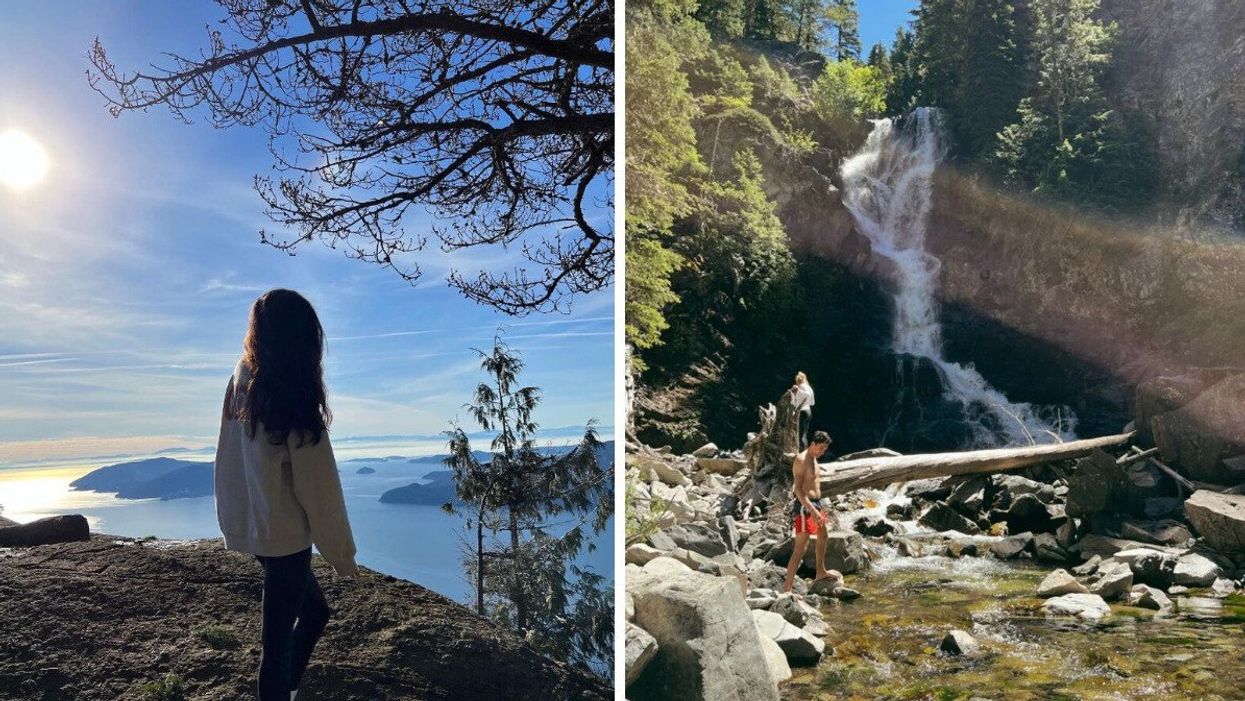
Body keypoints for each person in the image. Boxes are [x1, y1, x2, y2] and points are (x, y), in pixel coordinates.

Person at [214, 289, 358, 701]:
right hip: (286, 539)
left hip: (259, 526)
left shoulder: (243, 380)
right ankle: (283, 690)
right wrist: (342, 556)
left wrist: (237, 520)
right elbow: (321, 491)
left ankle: (290, 688)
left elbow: (228, 455)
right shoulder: (293, 399)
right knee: (275, 649)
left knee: (313, 612)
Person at [783, 430, 841, 594]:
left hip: (817, 504)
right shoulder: (801, 460)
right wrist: (811, 509)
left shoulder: (814, 459)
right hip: (805, 506)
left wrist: (818, 507)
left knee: (823, 535)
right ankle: (787, 588)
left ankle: (820, 571)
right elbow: (798, 490)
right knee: (801, 548)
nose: (823, 452)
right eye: (821, 448)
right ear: (813, 444)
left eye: (825, 449)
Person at [791, 371, 815, 450]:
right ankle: (805, 453)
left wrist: (796, 391)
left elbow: (794, 401)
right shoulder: (809, 387)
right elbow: (812, 403)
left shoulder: (801, 387)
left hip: (802, 412)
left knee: (800, 435)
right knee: (804, 435)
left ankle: (801, 454)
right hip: (808, 411)